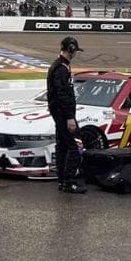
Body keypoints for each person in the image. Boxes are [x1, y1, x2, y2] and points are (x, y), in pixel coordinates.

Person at [48, 36, 86, 193]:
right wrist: (70, 116)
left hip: (59, 112)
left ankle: (63, 180)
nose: (75, 53)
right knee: (75, 145)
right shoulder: (61, 68)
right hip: (63, 113)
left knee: (62, 145)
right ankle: (69, 181)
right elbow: (62, 93)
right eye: (75, 50)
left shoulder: (59, 66)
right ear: (70, 49)